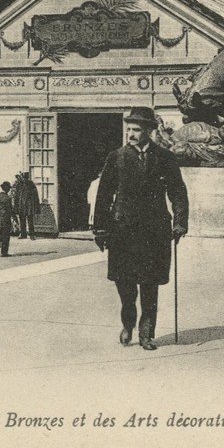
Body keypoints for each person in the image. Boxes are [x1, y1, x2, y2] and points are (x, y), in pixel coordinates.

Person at [93, 107, 189, 352]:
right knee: (125, 287)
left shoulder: (165, 158)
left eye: (136, 130)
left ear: (149, 131)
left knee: (149, 286)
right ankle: (128, 324)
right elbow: (103, 195)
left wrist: (179, 222)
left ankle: (147, 334)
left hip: (154, 231)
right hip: (122, 231)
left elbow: (177, 192)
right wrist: (100, 229)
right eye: (129, 129)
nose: (131, 134)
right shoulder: (116, 157)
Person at [15, 172, 40, 240]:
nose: (24, 179)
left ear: (27, 178)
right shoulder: (19, 184)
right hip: (21, 204)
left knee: (30, 219)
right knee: (21, 219)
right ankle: (23, 234)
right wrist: (16, 205)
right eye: (23, 178)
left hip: (29, 205)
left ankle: (32, 234)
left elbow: (35, 195)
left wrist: (34, 205)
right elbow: (16, 195)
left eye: (26, 178)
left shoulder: (31, 184)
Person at [0, 182, 15, 257]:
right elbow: (10, 210)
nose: (9, 190)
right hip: (6, 218)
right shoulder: (7, 198)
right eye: (9, 188)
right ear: (6, 189)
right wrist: (15, 220)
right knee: (6, 236)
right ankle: (4, 252)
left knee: (0, 234)